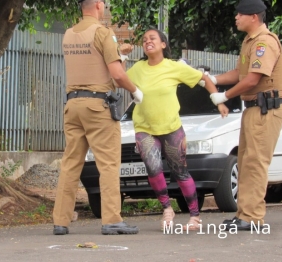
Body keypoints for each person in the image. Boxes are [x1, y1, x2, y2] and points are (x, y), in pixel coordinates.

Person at [52, 0, 143, 235]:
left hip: (72, 105)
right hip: (97, 107)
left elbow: (90, 62)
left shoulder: (69, 34)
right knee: (109, 163)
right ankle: (112, 219)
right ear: (99, 6)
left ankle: (60, 221)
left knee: (71, 164)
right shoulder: (103, 33)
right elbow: (116, 75)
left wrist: (117, 54)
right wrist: (134, 90)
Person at [124, 28, 229, 230]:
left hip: (171, 128)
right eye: (144, 40)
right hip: (145, 128)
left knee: (179, 171)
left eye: (152, 38)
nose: (148, 42)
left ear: (163, 44)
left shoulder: (174, 67)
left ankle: (195, 216)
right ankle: (167, 209)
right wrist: (122, 56)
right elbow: (118, 78)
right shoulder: (138, 68)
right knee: (153, 168)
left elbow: (204, 78)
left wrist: (218, 100)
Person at [208, 0, 282, 231]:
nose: (236, 17)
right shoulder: (250, 41)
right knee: (245, 162)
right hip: (254, 108)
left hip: (267, 107)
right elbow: (240, 73)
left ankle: (252, 217)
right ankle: (244, 214)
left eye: (240, 14)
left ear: (253, 16)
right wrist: (214, 80)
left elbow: (253, 79)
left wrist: (224, 96)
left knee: (255, 163)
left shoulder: (265, 42)